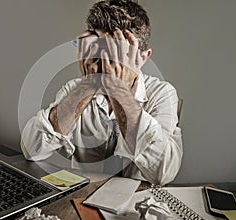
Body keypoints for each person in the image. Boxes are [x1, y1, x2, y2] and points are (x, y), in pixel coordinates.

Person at [21, 0, 183, 185]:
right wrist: (87, 86)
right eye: (100, 50)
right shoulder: (74, 90)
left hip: (134, 205)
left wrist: (119, 92)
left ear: (143, 57)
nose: (106, 62)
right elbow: (31, 150)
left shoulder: (162, 93)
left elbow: (163, 173)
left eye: (119, 53)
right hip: (80, 199)